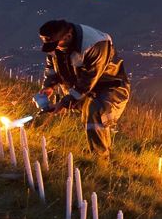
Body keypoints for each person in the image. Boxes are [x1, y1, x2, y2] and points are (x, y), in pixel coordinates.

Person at [38, 19, 130, 157]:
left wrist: (65, 101)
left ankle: (100, 157)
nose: (54, 49)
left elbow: (89, 79)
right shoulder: (55, 44)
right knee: (89, 113)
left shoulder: (94, 44)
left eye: (56, 44)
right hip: (82, 87)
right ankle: (98, 151)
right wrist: (49, 86)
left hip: (110, 86)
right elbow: (51, 68)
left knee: (95, 112)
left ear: (67, 36)